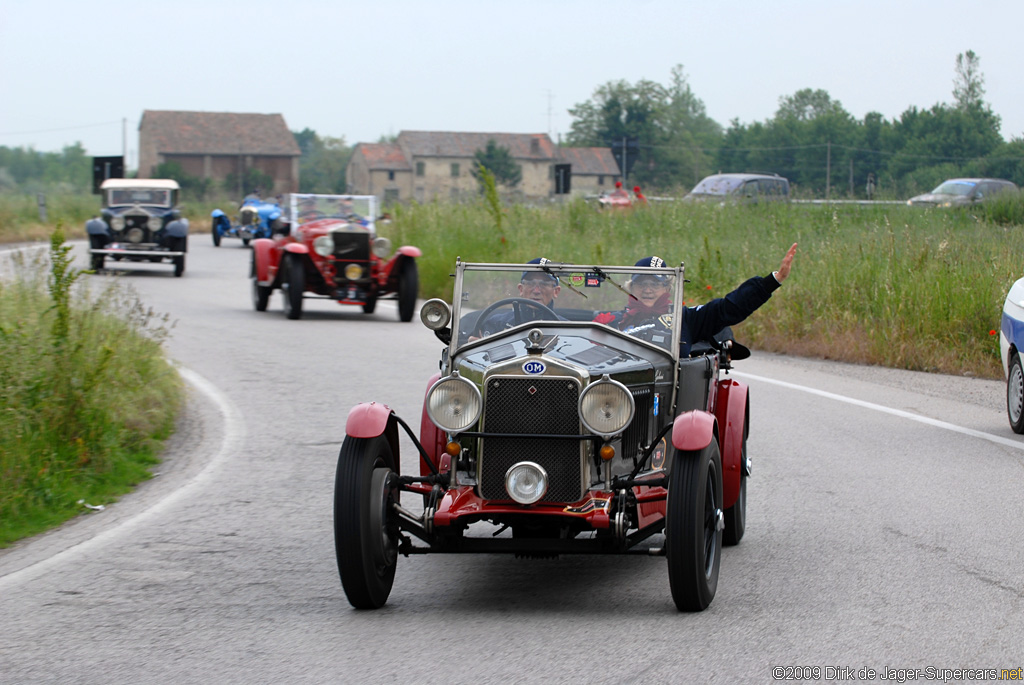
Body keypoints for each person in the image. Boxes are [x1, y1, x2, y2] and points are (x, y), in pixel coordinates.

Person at [595, 244, 798, 355]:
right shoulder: (614, 321)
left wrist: (773, 281)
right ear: (632, 288)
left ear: (667, 287)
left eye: (655, 284)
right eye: (642, 284)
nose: (648, 290)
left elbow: (728, 308)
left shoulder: (686, 318)